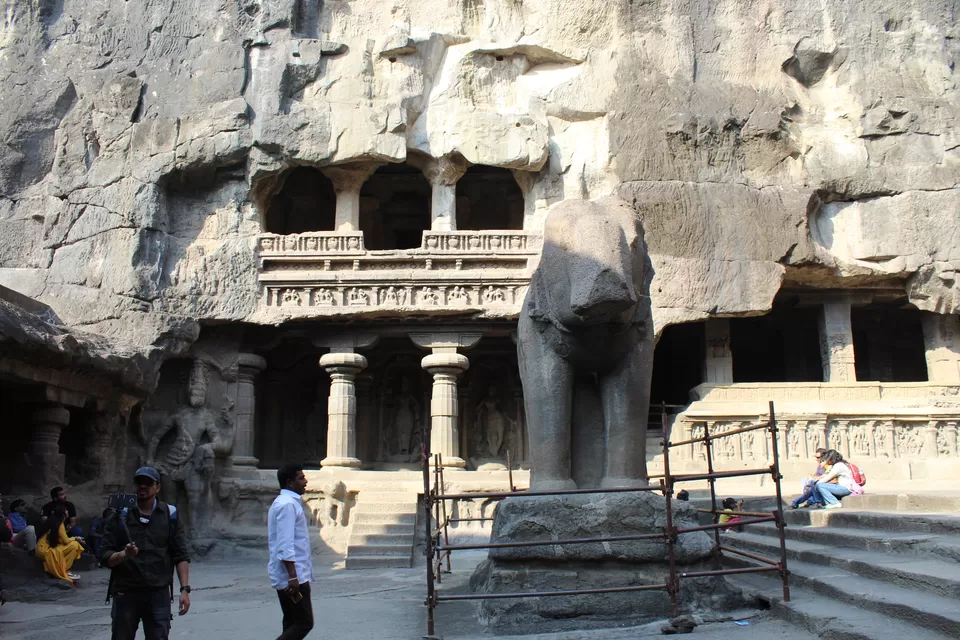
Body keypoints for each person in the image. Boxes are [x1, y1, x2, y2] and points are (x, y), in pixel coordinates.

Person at [101, 466, 191, 640]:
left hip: (158, 593)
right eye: (139, 482)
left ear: (157, 487)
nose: (143, 486)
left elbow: (180, 555)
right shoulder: (119, 515)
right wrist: (123, 555)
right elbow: (104, 556)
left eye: (148, 483)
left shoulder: (170, 515)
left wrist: (185, 590)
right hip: (126, 593)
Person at [268, 464, 314, 640]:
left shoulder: (287, 503)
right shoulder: (287, 505)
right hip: (293, 577)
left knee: (291, 621)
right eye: (301, 478)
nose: (305, 481)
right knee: (304, 623)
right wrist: (293, 576)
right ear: (289, 482)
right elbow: (285, 544)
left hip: (292, 574)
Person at [35, 506, 85, 583]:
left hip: (40, 549)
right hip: (45, 550)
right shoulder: (59, 524)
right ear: (63, 514)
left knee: (69, 546)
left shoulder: (52, 521)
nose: (68, 512)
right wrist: (75, 538)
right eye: (66, 511)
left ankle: (62, 568)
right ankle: (64, 570)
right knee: (75, 545)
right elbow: (65, 541)